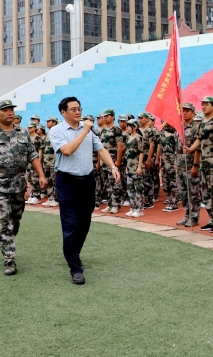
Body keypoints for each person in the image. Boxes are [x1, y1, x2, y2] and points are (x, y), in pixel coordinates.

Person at [0, 100, 47, 276]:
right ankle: (9, 259)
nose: (10, 112)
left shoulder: (23, 133)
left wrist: (41, 175)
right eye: (5, 110)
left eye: (11, 109)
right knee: (4, 222)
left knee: (15, 220)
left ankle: (6, 239)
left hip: (19, 183)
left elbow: (32, 155)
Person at [49, 96, 120, 285]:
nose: (78, 112)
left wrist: (113, 166)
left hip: (87, 181)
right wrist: (85, 130)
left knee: (85, 222)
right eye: (73, 109)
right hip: (66, 181)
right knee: (70, 224)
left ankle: (74, 253)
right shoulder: (57, 131)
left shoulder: (89, 131)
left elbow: (101, 149)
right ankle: (75, 268)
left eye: (79, 108)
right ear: (63, 112)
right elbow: (67, 150)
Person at [186, 96, 213, 232]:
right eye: (202, 104)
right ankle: (212, 219)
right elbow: (199, 139)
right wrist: (190, 149)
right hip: (205, 163)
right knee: (206, 193)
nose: (203, 107)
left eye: (207, 104)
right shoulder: (203, 122)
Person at [176, 103, 202, 227]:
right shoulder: (180, 128)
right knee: (183, 193)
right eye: (183, 111)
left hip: (190, 165)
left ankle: (194, 217)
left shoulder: (195, 128)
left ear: (193, 113)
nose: (185, 113)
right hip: (180, 165)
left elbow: (198, 149)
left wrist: (195, 165)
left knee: (193, 193)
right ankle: (187, 215)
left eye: (187, 111)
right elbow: (178, 148)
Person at [99, 109, 125, 213]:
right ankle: (110, 204)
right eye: (104, 116)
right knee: (106, 184)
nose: (105, 117)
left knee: (115, 184)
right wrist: (99, 162)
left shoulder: (116, 129)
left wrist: (118, 160)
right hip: (103, 162)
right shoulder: (103, 130)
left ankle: (116, 205)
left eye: (108, 116)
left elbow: (119, 146)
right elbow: (100, 147)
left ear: (113, 117)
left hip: (113, 160)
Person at [124, 119, 145, 217]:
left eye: (129, 126)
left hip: (136, 166)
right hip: (130, 166)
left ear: (135, 127)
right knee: (129, 189)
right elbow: (127, 153)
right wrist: (127, 167)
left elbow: (141, 152)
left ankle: (139, 209)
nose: (127, 127)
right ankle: (132, 207)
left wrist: (140, 166)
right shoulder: (128, 137)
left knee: (138, 189)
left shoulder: (138, 138)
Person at [158, 122, 179, 212]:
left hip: (171, 162)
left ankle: (174, 203)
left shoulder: (175, 135)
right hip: (164, 162)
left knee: (173, 183)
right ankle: (170, 201)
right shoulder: (162, 133)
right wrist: (158, 159)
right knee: (165, 184)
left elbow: (177, 150)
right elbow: (159, 146)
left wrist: (175, 162)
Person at [42, 117, 59, 206]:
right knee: (48, 180)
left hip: (53, 162)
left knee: (54, 180)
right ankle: (50, 197)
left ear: (54, 123)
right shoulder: (48, 134)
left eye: (49, 121)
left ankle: (56, 198)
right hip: (46, 162)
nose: (47, 123)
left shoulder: (57, 133)